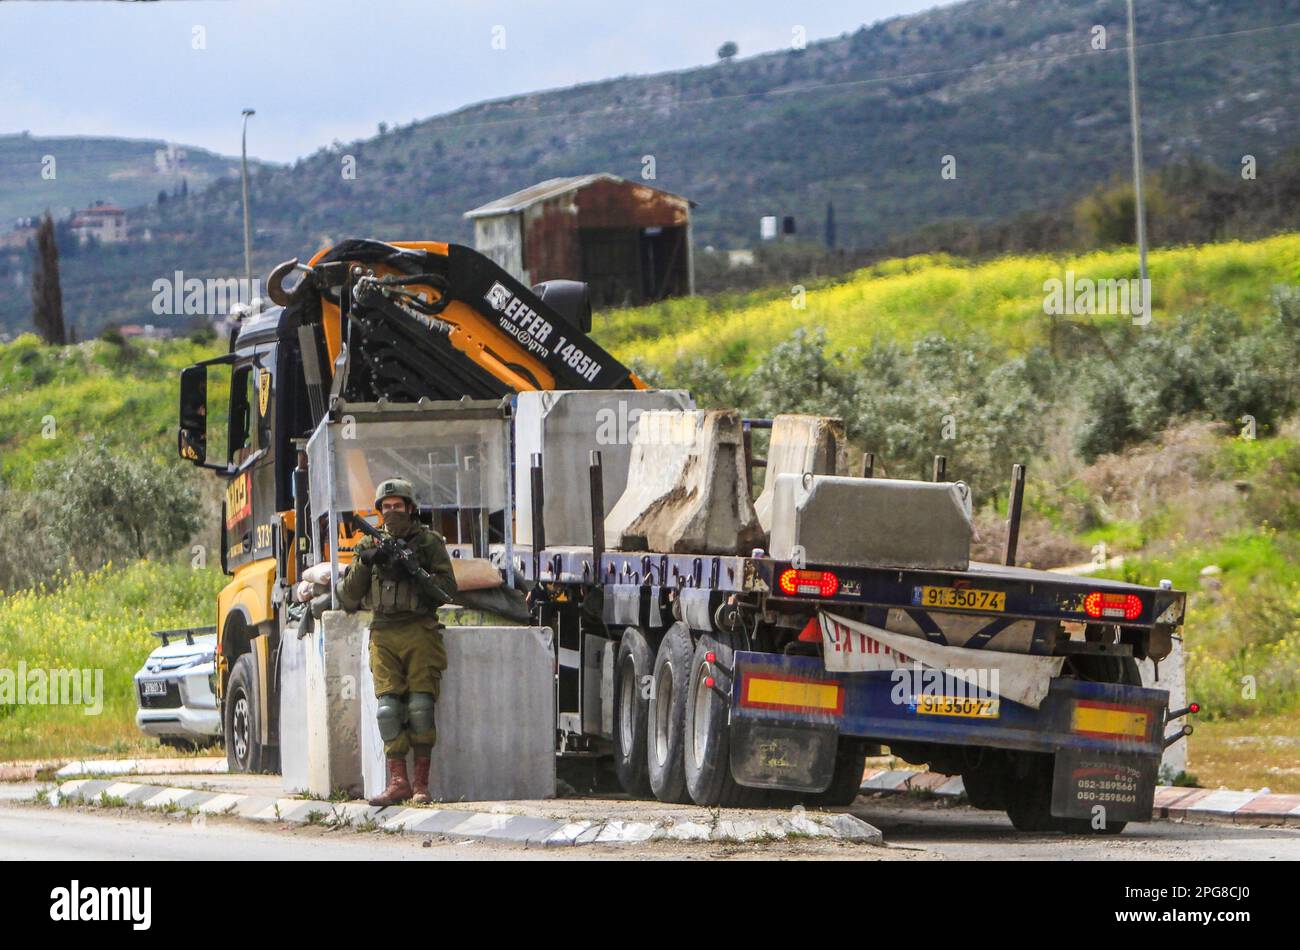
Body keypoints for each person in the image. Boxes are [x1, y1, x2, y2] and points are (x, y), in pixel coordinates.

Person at [337, 477, 457, 806]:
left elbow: (448, 590)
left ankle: (421, 785)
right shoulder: (367, 545)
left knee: (420, 707)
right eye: (386, 508)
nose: (392, 513)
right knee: (388, 710)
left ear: (411, 508)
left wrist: (414, 571)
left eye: (398, 507)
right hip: (384, 632)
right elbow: (347, 596)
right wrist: (366, 563)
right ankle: (398, 782)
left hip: (420, 630)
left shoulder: (429, 542)